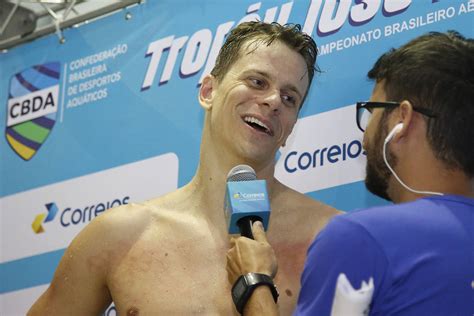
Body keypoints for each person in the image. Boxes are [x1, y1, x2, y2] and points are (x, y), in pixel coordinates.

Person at [28, 22, 338, 315]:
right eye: (257, 82)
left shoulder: (330, 238)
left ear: (292, 125)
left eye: (289, 98)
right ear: (208, 92)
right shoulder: (120, 235)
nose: (273, 101)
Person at [226, 30, 474, 315]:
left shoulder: (362, 238)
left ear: (401, 120)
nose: (365, 133)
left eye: (371, 112)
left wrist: (253, 282)